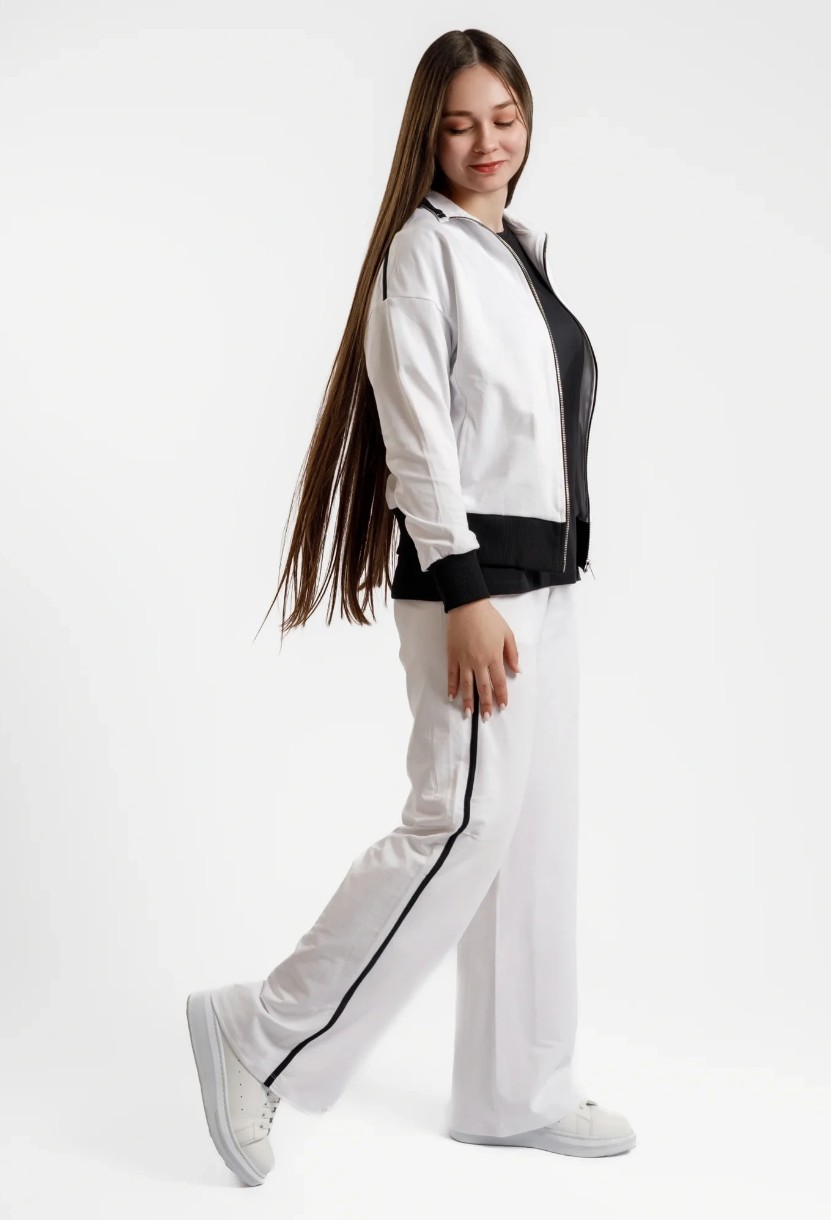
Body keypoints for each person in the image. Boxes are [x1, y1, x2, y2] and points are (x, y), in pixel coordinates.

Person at [185, 28, 636, 1187]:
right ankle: (258, 1030)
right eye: (460, 124)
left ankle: (515, 1090)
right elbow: (419, 438)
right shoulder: (422, 253)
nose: (488, 143)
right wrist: (466, 585)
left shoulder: (518, 252)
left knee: (530, 836)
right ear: (426, 137)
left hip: (547, 586)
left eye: (505, 118)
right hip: (474, 588)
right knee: (459, 823)